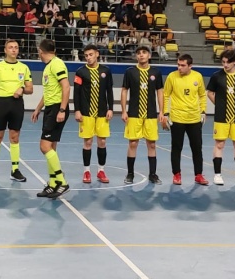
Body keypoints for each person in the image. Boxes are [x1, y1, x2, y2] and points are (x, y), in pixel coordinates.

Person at [0, 39, 33, 183]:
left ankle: (15, 170)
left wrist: (22, 89)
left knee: (15, 137)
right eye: (11, 47)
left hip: (16, 104)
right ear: (5, 50)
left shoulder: (24, 67)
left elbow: (30, 89)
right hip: (1, 103)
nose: (14, 49)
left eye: (16, 47)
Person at [31, 39, 71, 198]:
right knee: (51, 147)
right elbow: (49, 91)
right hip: (50, 108)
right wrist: (38, 108)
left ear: (40, 51)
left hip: (56, 108)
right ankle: (53, 183)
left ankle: (62, 181)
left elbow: (66, 87)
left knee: (44, 146)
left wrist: (61, 109)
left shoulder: (57, 64)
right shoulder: (49, 67)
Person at [119, 46, 164, 184]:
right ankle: (130, 174)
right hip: (134, 113)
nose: (141, 55)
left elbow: (160, 92)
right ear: (136, 57)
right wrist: (124, 110)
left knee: (151, 144)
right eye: (138, 53)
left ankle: (153, 174)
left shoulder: (155, 72)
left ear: (149, 55)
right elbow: (124, 90)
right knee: (133, 143)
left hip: (150, 114)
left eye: (144, 53)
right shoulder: (130, 72)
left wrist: (161, 111)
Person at [207, 49, 235, 186]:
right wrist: (220, 105)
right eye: (223, 62)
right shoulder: (216, 76)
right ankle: (217, 175)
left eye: (228, 62)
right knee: (219, 144)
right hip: (221, 116)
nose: (225, 65)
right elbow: (210, 93)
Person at [163, 53, 207, 185]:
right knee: (176, 147)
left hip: (194, 119)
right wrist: (165, 114)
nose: (179, 68)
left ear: (190, 66)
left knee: (197, 148)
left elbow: (202, 95)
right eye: (178, 65)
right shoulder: (172, 76)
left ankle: (198, 175)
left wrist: (203, 111)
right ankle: (176, 174)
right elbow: (166, 95)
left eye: (182, 65)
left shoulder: (197, 76)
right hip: (177, 118)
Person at [73, 45, 113, 183]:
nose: (88, 58)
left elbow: (109, 91)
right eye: (86, 56)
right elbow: (76, 93)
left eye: (91, 54)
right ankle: (87, 172)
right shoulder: (80, 72)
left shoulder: (105, 71)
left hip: (102, 112)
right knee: (88, 142)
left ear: (97, 54)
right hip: (86, 113)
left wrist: (111, 108)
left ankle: (101, 171)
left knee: (102, 142)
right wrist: (77, 110)